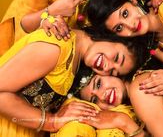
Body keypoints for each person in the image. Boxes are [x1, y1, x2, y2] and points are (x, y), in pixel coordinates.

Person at [0, 25, 148, 137]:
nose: (107, 66)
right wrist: (51, 122)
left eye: (112, 72)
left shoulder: (76, 66)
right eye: (116, 58)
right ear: (110, 35)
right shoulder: (56, 48)